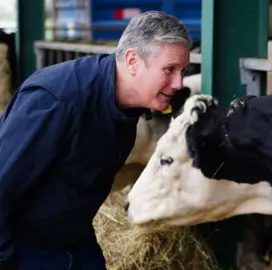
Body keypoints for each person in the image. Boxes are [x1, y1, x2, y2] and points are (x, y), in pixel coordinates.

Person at [0, 10, 192, 269]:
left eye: (182, 71)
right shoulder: (54, 101)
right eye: (169, 69)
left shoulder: (127, 107)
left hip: (76, 242)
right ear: (133, 61)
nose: (179, 83)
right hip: (27, 249)